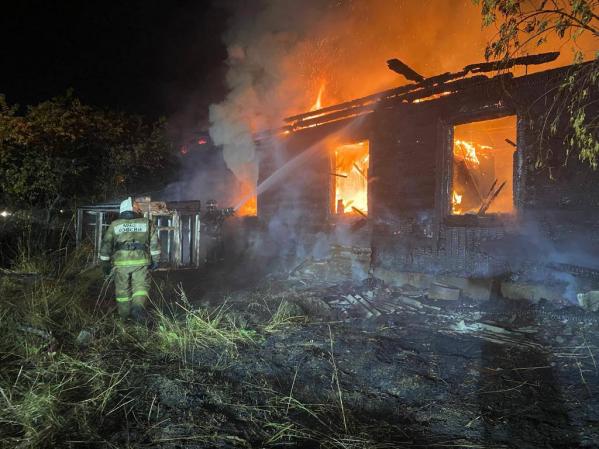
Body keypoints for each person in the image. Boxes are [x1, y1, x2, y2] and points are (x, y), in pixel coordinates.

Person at [99, 197, 160, 321]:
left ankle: (125, 317)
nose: (139, 209)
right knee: (141, 288)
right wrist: (155, 260)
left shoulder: (115, 225)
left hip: (121, 263)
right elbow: (155, 244)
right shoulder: (146, 223)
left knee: (122, 292)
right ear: (131, 208)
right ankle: (138, 311)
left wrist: (105, 264)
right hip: (140, 262)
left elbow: (106, 246)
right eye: (137, 206)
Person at [202, 199, 234, 264]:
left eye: (213, 207)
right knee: (209, 257)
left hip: (219, 238)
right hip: (209, 240)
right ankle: (209, 266)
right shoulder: (205, 218)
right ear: (207, 208)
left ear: (216, 207)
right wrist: (208, 227)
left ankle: (221, 266)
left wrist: (229, 211)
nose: (211, 209)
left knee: (221, 257)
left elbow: (225, 212)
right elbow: (202, 228)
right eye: (209, 207)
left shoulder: (219, 213)